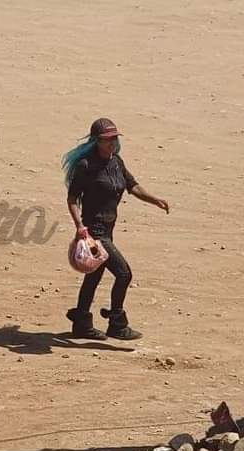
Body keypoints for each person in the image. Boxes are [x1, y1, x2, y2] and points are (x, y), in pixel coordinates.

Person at [62, 117, 169, 340]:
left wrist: (155, 200)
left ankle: (81, 322)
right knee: (123, 274)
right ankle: (117, 323)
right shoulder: (86, 166)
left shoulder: (116, 162)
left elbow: (133, 186)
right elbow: (72, 199)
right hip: (96, 232)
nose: (112, 143)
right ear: (96, 141)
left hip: (108, 230)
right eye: (106, 139)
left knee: (94, 277)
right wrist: (80, 225)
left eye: (114, 138)